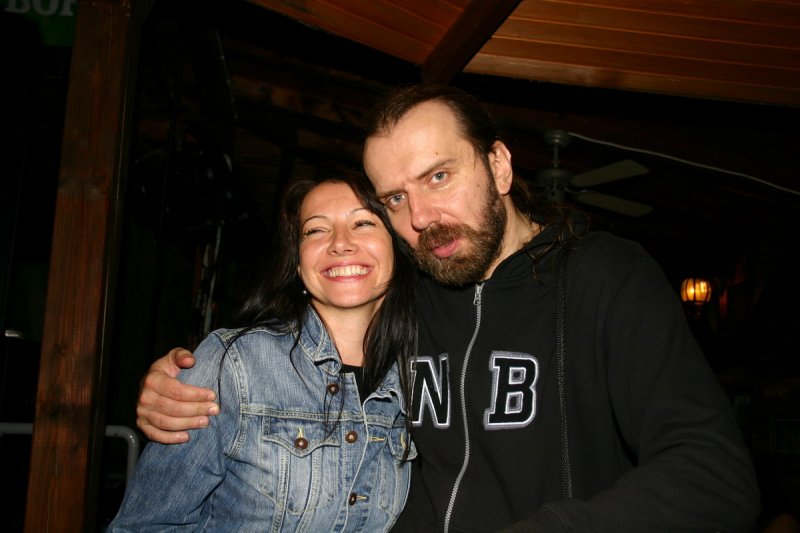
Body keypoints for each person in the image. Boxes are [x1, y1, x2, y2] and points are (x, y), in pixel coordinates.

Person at [135, 84, 760, 532]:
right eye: (394, 198)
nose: (422, 218)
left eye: (439, 177)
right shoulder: (408, 292)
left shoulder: (606, 277)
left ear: (499, 165)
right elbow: (309, 363)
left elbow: (715, 474)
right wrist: (188, 379)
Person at [110, 165, 418, 531]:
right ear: (298, 263)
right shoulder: (233, 364)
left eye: (363, 223)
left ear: (397, 247)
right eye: (316, 230)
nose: (340, 242)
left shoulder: (420, 373)